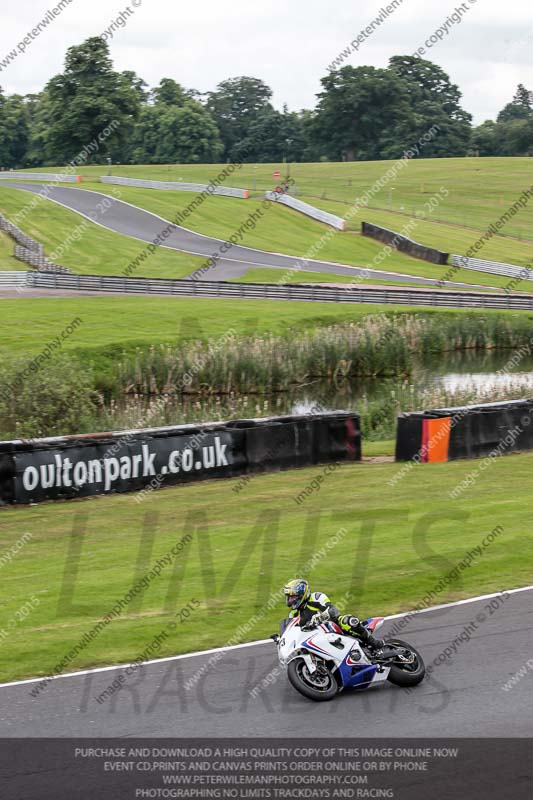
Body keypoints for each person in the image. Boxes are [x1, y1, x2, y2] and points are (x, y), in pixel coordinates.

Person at [283, 578, 385, 652]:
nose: (290, 600)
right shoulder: (293, 614)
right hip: (315, 637)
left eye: (293, 597)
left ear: (302, 594)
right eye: (289, 597)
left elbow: (332, 610)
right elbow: (294, 631)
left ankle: (372, 642)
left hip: (333, 626)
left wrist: (320, 618)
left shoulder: (316, 597)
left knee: (349, 621)